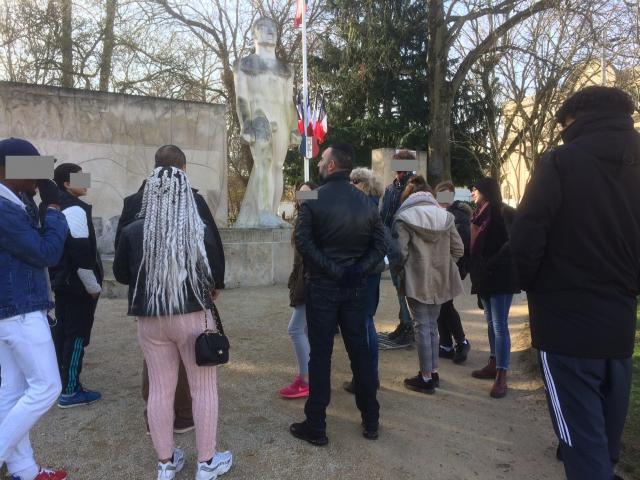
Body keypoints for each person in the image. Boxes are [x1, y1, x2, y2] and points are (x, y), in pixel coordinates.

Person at [510, 86, 640, 480]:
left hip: (565, 326)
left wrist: (534, 286)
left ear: (574, 120)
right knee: (604, 435)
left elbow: (527, 237)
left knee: (580, 445)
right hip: (619, 323)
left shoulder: (561, 162)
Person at [113, 166, 232, 480]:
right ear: (185, 194)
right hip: (192, 316)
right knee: (203, 389)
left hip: (150, 320)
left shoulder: (133, 231)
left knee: (160, 391)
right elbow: (213, 273)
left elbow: (123, 275)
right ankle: (206, 463)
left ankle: (166, 463)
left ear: (150, 194)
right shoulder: (197, 229)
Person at [290, 144, 386, 446]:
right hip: (352, 287)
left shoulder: (315, 199)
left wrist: (338, 270)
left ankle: (316, 425)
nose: (318, 162)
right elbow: (381, 247)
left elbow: (302, 241)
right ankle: (371, 420)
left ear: (332, 166)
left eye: (322, 159)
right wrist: (356, 270)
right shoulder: (366, 202)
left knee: (321, 356)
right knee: (360, 355)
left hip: (326, 287)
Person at [0, 138, 69, 480]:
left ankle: (24, 471)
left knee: (12, 392)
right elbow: (46, 253)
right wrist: (54, 211)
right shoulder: (2, 206)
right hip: (20, 309)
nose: (38, 180)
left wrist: (38, 195)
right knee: (47, 387)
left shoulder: (14, 200)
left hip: (13, 307)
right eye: (32, 170)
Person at [392, 176, 464, 394]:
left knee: (421, 326)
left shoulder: (403, 218)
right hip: (440, 279)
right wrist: (444, 264)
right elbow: (458, 249)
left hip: (416, 279)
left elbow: (400, 253)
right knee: (431, 325)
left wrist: (403, 271)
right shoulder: (446, 217)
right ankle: (432, 372)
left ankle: (425, 378)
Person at [45, 163, 103, 408]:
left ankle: (61, 385)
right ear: (67, 184)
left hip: (62, 282)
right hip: (76, 285)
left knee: (64, 332)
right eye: (81, 178)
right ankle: (70, 390)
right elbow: (81, 254)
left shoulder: (55, 206)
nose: (86, 181)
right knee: (77, 335)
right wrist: (92, 287)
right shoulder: (75, 209)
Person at [468, 177, 520, 398]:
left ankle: (502, 374)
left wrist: (493, 262)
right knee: (491, 322)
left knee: (500, 325)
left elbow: (513, 242)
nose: (472, 193)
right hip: (485, 277)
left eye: (475, 189)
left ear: (486, 191)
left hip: (501, 276)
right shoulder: (479, 214)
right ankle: (493, 361)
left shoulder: (504, 212)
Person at [343, 167, 385, 393]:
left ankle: (367, 378)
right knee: (365, 323)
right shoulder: (371, 204)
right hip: (370, 272)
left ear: (363, 184)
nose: (350, 184)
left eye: (354, 180)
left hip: (364, 273)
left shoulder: (365, 207)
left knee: (364, 324)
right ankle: (368, 376)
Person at [279, 181, 318, 399]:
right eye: (300, 194)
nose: (302, 197)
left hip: (310, 280)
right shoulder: (304, 216)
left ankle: (306, 379)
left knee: (295, 329)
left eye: (308, 193)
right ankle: (310, 375)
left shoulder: (313, 218)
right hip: (305, 279)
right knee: (304, 330)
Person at [434, 181, 471, 363]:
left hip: (452, 267)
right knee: (441, 305)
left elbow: (460, 245)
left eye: (446, 195)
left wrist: (453, 263)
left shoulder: (458, 215)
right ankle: (446, 344)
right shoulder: (441, 213)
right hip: (441, 267)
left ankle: (461, 341)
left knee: (445, 304)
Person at [380, 150, 414, 346]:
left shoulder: (415, 188)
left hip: (409, 246)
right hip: (393, 245)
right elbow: (384, 218)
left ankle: (409, 326)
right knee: (399, 286)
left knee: (407, 288)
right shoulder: (390, 189)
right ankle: (404, 322)